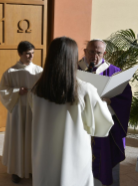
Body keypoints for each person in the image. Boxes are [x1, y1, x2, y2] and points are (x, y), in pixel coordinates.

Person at [29, 37, 114, 186]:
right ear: (73, 58)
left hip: (44, 153)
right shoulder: (84, 89)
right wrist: (103, 103)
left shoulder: (36, 89)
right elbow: (102, 125)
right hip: (74, 154)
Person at [78, 39, 132, 186]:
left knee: (105, 161)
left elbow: (125, 98)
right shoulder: (74, 69)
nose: (94, 56)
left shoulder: (114, 72)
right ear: (85, 51)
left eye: (99, 52)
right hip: (80, 124)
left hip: (104, 125)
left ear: (104, 53)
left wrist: (110, 101)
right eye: (91, 51)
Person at [0, 41, 43, 183]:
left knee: (32, 139)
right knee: (18, 139)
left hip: (33, 111)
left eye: (32, 53)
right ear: (20, 54)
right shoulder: (10, 72)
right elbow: (3, 91)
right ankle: (16, 171)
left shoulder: (39, 71)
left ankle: (31, 169)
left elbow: (44, 90)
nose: (31, 56)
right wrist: (18, 91)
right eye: (27, 53)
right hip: (17, 111)